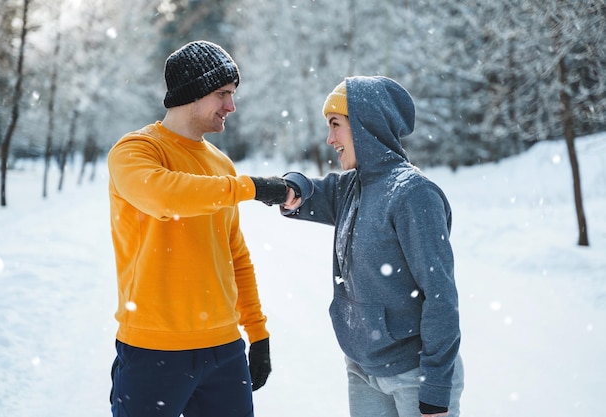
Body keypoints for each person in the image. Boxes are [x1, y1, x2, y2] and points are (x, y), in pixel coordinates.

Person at [107, 40, 290, 417]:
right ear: (192, 92)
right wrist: (252, 187)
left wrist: (257, 333)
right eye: (223, 94)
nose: (231, 106)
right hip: (152, 350)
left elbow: (234, 254)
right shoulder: (135, 151)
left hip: (224, 350)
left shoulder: (221, 164)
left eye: (233, 95)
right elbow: (165, 197)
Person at [280, 76, 464, 417]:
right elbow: (311, 191)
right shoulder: (353, 186)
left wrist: (437, 386)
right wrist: (290, 186)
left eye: (336, 125)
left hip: (414, 374)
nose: (329, 139)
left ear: (366, 124)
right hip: (363, 367)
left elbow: (440, 294)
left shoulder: (413, 194)